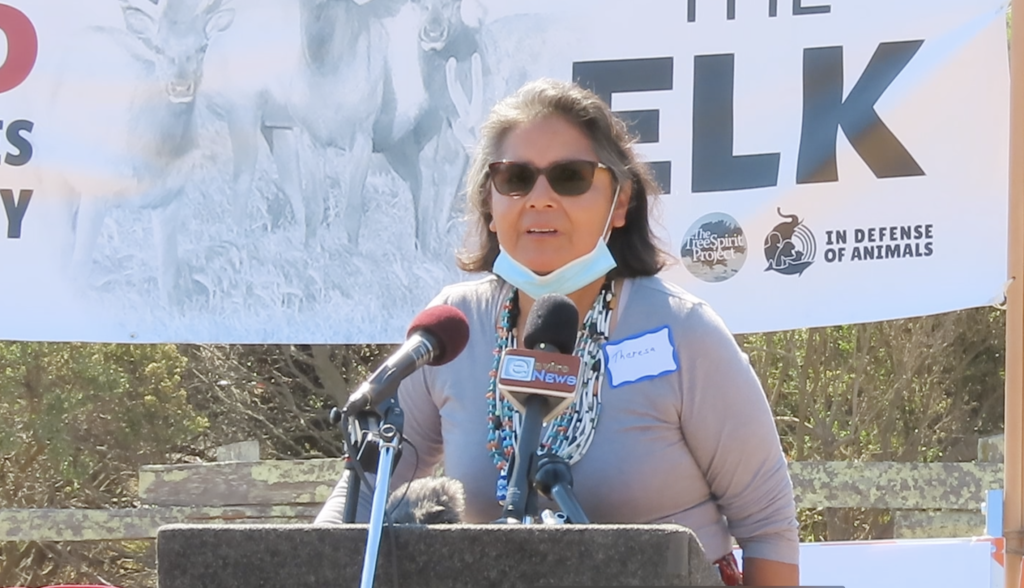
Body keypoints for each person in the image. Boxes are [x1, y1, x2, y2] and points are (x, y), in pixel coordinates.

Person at [316, 78, 799, 586]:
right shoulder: (450, 331)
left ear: (619, 203)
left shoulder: (683, 332)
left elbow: (768, 527)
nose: (540, 198)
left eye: (570, 176)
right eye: (515, 178)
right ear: (489, 201)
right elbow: (359, 499)